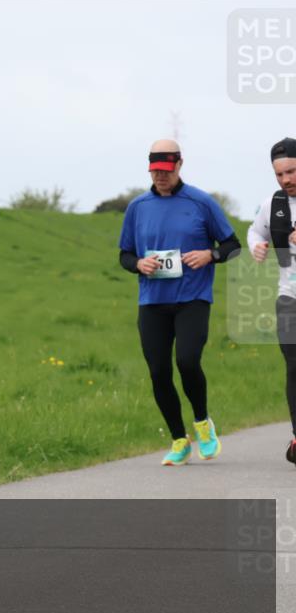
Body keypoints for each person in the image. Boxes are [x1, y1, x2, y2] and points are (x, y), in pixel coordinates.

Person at [118, 139, 241, 466]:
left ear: (179, 165)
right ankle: (178, 439)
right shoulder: (138, 207)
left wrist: (210, 254)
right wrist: (138, 265)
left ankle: (203, 423)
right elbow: (124, 254)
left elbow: (232, 245)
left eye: (166, 170)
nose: (160, 176)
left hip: (192, 299)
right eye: (155, 170)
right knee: (158, 371)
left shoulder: (201, 202)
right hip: (152, 301)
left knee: (187, 361)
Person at [246, 136, 296, 466]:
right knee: (294, 364)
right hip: (289, 296)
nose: (286, 180)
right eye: (279, 174)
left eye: (291, 172)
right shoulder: (272, 204)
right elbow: (255, 231)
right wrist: (256, 247)